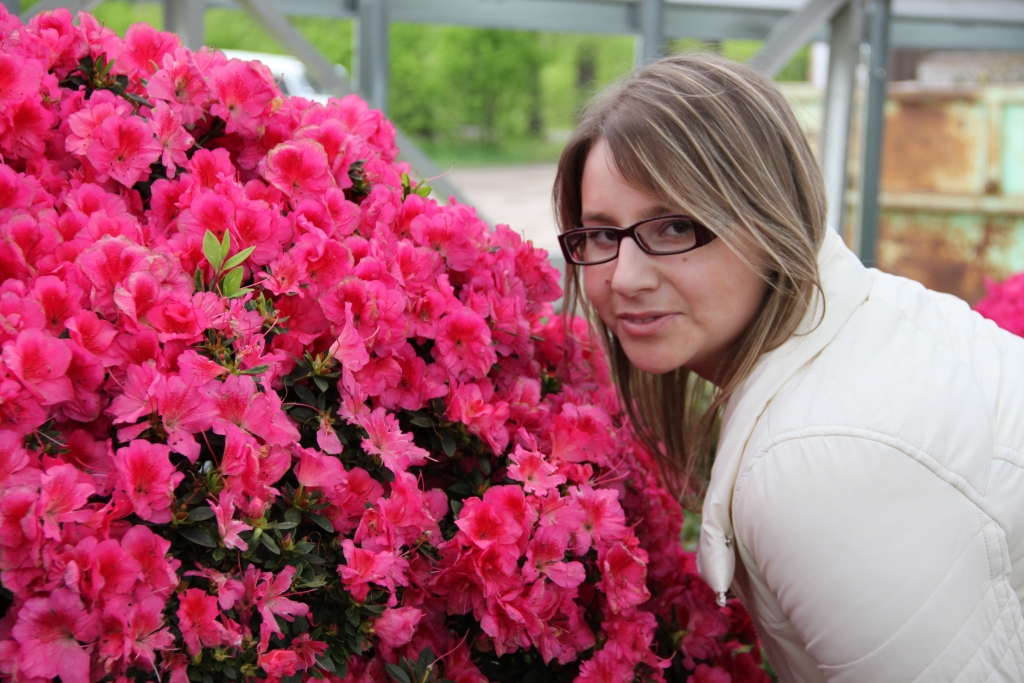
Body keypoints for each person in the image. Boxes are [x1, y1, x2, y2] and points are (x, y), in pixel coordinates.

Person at [554, 53, 1024, 682]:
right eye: (602, 234)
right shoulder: (860, 323)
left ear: (767, 216)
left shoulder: (817, 462)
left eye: (674, 226)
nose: (626, 278)